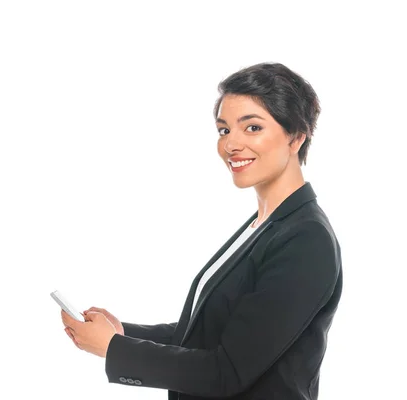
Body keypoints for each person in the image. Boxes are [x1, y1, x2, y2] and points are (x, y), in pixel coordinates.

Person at [60, 62, 343, 400]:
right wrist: (122, 334)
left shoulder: (305, 240)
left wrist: (115, 350)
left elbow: (226, 372)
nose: (231, 144)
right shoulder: (263, 226)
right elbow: (211, 332)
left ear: (296, 136)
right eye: (224, 130)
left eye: (252, 127)